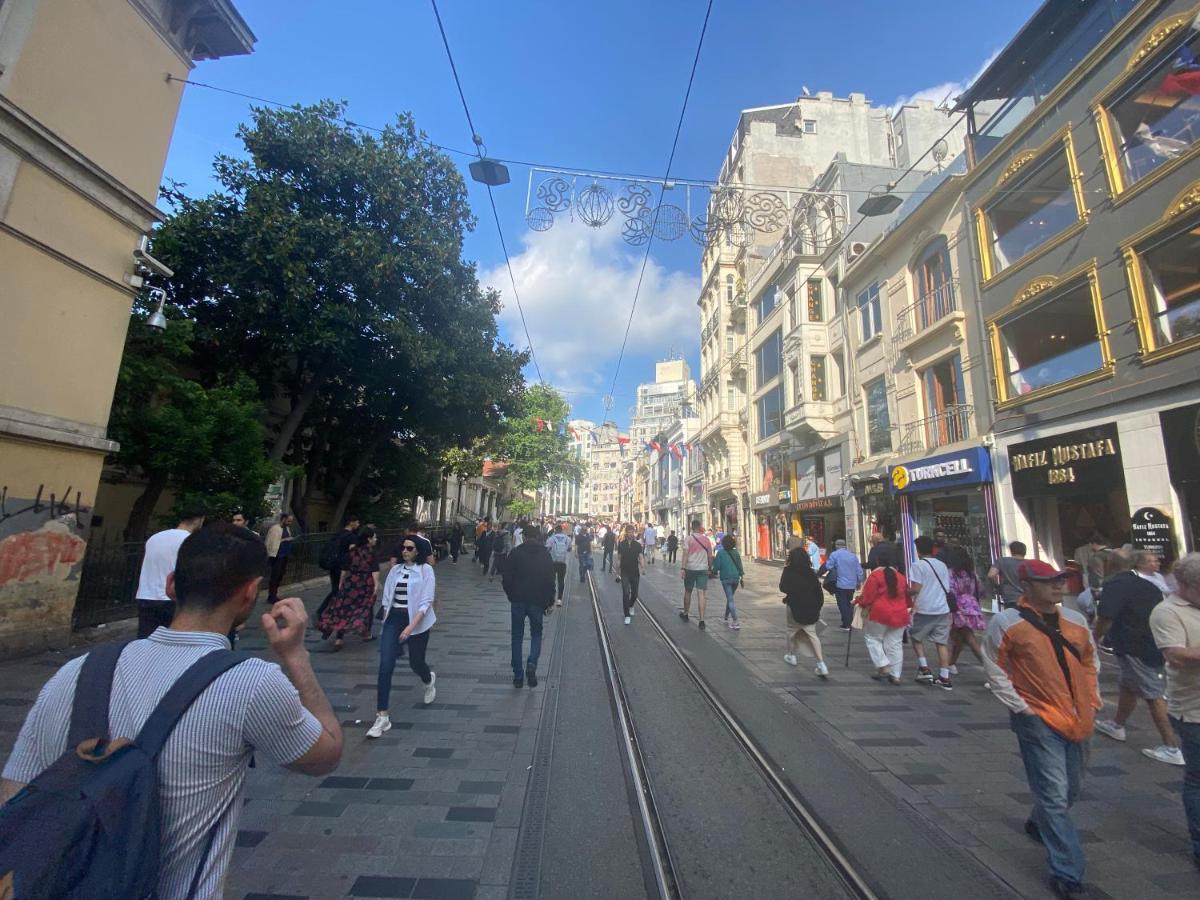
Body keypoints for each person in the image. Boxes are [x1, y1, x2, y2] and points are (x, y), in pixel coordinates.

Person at [0, 524, 343, 897]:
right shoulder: (251, 683)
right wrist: (295, 656)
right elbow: (326, 754)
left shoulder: (75, 671)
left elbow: (14, 797)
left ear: (170, 585)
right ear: (249, 593)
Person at [982, 560, 1099, 899]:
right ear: (1027, 586)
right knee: (1053, 793)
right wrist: (1022, 708)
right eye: (1048, 582)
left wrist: (1091, 699)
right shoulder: (1008, 623)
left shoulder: (1075, 621)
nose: (1057, 587)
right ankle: (1067, 872)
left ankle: (1039, 821)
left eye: (1060, 580)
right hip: (1038, 718)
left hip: (1079, 717)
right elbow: (994, 666)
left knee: (1070, 789)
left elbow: (1090, 661)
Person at [1092, 549, 1182, 765]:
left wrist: (1093, 638)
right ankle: (1117, 724)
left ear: (1105, 566)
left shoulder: (1116, 584)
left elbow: (1106, 616)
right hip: (1152, 640)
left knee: (1153, 693)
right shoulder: (1147, 584)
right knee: (1129, 683)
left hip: (1135, 644)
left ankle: (1171, 746)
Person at [1149, 552, 1200, 873]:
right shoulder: (1166, 612)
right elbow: (1177, 656)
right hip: (1194, 711)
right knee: (1197, 779)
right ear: (1183, 584)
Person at [367, 536, 438, 738]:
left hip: (418, 621)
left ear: (418, 551)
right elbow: (388, 598)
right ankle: (382, 716)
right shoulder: (395, 570)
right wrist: (386, 623)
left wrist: (409, 628)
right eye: (403, 547)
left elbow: (425, 603)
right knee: (385, 665)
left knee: (416, 662)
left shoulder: (426, 571)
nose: (405, 551)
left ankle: (428, 678)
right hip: (394, 619)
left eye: (410, 548)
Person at [135, 509, 205, 638]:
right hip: (172, 599)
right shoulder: (190, 541)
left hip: (146, 596)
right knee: (172, 641)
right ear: (198, 520)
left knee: (146, 640)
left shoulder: (154, 538)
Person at [502, 526, 555, 688]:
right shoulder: (545, 554)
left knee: (517, 636)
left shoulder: (516, 553)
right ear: (537, 537)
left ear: (524, 537)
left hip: (518, 600)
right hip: (537, 601)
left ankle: (518, 675)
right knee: (536, 634)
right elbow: (550, 579)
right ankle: (532, 663)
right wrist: (549, 601)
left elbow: (506, 577)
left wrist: (511, 595)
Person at [317, 527, 379, 650]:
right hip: (365, 583)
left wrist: (341, 583)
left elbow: (344, 569)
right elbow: (374, 570)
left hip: (351, 582)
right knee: (366, 607)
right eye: (374, 537)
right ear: (369, 539)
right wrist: (376, 585)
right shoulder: (371, 553)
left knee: (343, 608)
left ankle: (339, 638)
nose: (376, 539)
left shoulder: (352, 552)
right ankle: (366, 633)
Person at [908, 534, 955, 690]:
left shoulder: (917, 565)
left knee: (916, 637)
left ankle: (924, 668)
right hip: (942, 608)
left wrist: (905, 593)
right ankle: (944, 676)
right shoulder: (942, 565)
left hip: (925, 607)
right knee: (941, 642)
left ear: (919, 550)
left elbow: (915, 589)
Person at [779, 546, 829, 678]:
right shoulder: (811, 572)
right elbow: (819, 593)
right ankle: (821, 663)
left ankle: (791, 655)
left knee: (791, 631)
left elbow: (782, 587)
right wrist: (817, 607)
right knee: (812, 634)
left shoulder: (788, 570)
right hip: (810, 608)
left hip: (794, 606)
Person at [857, 564, 910, 683]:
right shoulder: (901, 577)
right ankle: (896, 675)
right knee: (895, 644)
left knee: (872, 638)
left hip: (880, 613)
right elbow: (907, 597)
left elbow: (867, 598)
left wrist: (858, 601)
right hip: (900, 614)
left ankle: (883, 665)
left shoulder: (875, 576)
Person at [946, 546, 988, 676]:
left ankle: (990, 667)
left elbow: (950, 590)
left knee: (968, 638)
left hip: (958, 607)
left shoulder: (951, 573)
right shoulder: (972, 574)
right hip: (972, 606)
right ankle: (950, 663)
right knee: (958, 637)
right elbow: (980, 590)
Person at [681, 520, 714, 630]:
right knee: (701, 594)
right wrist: (710, 568)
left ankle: (685, 614)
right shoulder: (706, 539)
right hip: (703, 569)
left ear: (691, 527)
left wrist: (683, 568)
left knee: (688, 591)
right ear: (700, 527)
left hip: (690, 568)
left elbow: (685, 554)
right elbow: (710, 556)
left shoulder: (688, 539)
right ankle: (701, 620)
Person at [825, 538, 864, 631]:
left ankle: (847, 623)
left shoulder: (834, 554)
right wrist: (859, 581)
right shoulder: (853, 556)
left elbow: (828, 566)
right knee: (849, 602)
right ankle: (848, 621)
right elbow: (859, 571)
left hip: (840, 583)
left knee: (842, 603)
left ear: (836, 546)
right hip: (851, 584)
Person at [713, 533, 746, 629]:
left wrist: (713, 571)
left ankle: (735, 621)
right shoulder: (736, 553)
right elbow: (740, 566)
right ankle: (726, 617)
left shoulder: (720, 553)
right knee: (730, 597)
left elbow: (716, 567)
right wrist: (741, 576)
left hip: (726, 578)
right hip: (735, 578)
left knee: (730, 599)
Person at [265, 513, 297, 604]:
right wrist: (285, 540)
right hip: (277, 555)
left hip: (284, 555)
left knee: (280, 575)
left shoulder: (287, 528)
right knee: (275, 576)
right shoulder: (275, 528)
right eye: (288, 521)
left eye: (291, 521)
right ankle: (271, 596)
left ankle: (274, 594)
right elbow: (272, 542)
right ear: (283, 519)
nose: (290, 523)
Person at [617, 525, 645, 625]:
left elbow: (641, 557)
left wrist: (643, 567)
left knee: (635, 594)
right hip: (625, 572)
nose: (631, 534)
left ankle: (631, 604)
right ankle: (627, 615)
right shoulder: (621, 544)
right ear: (626, 533)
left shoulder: (637, 545)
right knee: (625, 593)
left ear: (634, 533)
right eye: (629, 532)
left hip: (635, 572)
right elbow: (619, 558)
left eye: (632, 532)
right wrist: (617, 572)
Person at [989, 541, 1029, 610]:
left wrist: (998, 587)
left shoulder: (1002, 561)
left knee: (1012, 619)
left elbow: (991, 575)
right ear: (1024, 551)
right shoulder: (1031, 563)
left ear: (1011, 551)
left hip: (1010, 597)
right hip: (1028, 598)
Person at [545, 523, 573, 606]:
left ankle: (552, 598)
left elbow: (547, 549)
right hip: (562, 563)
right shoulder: (567, 539)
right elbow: (569, 549)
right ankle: (559, 599)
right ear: (562, 530)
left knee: (552, 581)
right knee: (561, 581)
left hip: (553, 563)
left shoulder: (551, 538)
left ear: (555, 530)